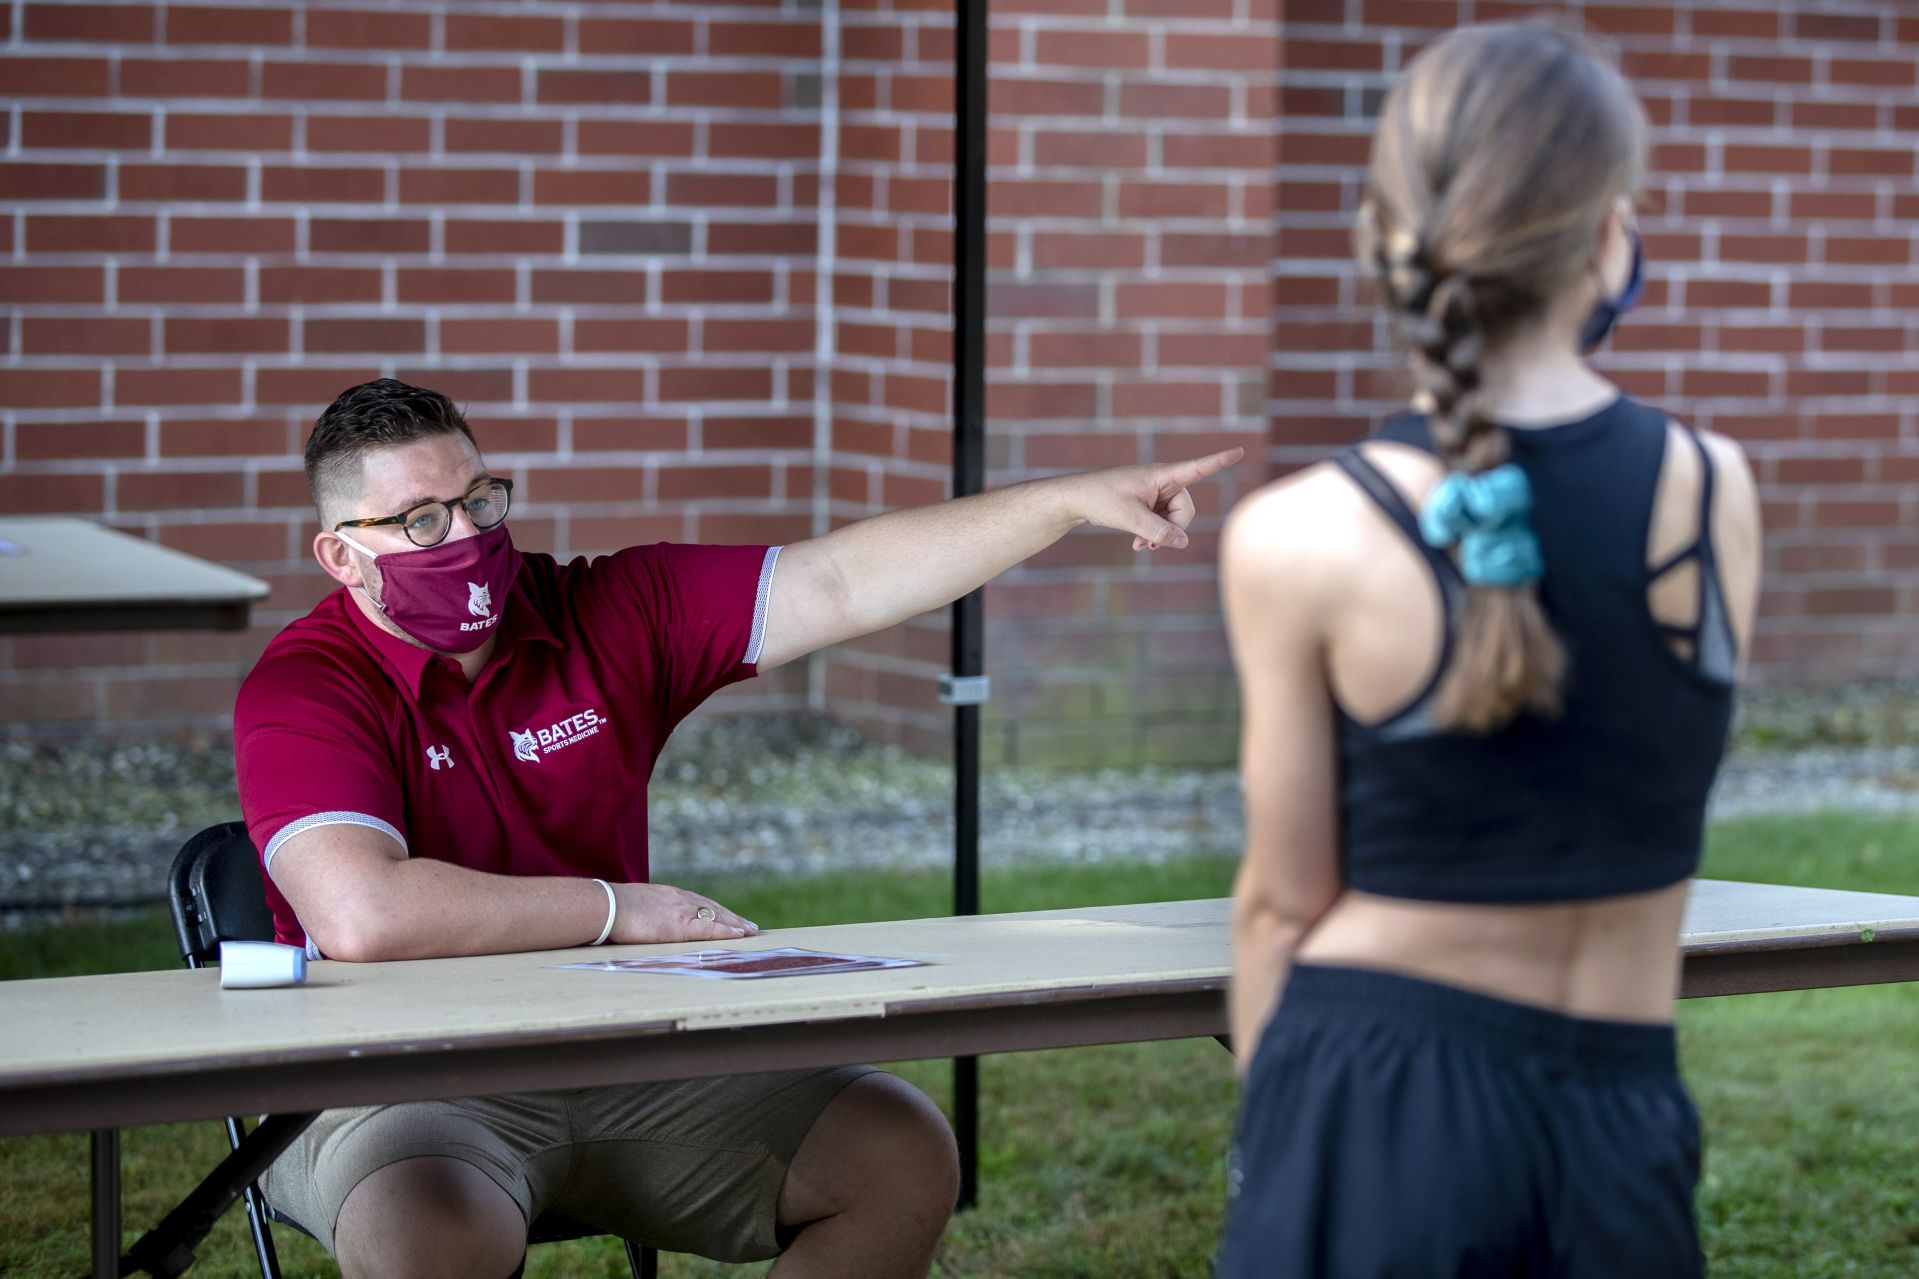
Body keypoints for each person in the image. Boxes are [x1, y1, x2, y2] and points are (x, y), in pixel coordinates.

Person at [233, 375, 1239, 1279]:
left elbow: (839, 580)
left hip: (616, 1044)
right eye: (417, 521)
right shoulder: (306, 683)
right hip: (400, 1073)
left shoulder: (601, 609)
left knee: (894, 1151)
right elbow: (364, 914)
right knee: (428, 1236)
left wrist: (1062, 503)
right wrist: (615, 910)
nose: (462, 539)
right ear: (340, 553)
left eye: (477, 500)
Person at [1215, 22, 1761, 1278]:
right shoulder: (1710, 490)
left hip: (1373, 1099)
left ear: (1384, 243)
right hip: (1622, 1109)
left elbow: (1279, 902)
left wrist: (1277, 1139)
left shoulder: (1302, 532)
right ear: (1609, 236)